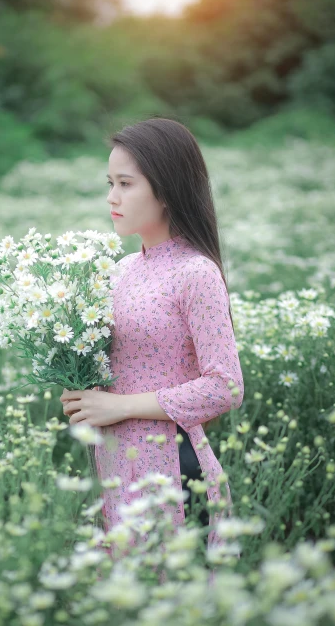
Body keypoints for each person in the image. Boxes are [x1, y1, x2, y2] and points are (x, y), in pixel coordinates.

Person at [60, 117, 244, 559]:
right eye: (110, 182)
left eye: (126, 183)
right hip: (114, 469)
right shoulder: (119, 271)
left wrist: (120, 406)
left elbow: (226, 386)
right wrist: (83, 392)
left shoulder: (195, 272)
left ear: (166, 189)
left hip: (174, 470)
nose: (111, 197)